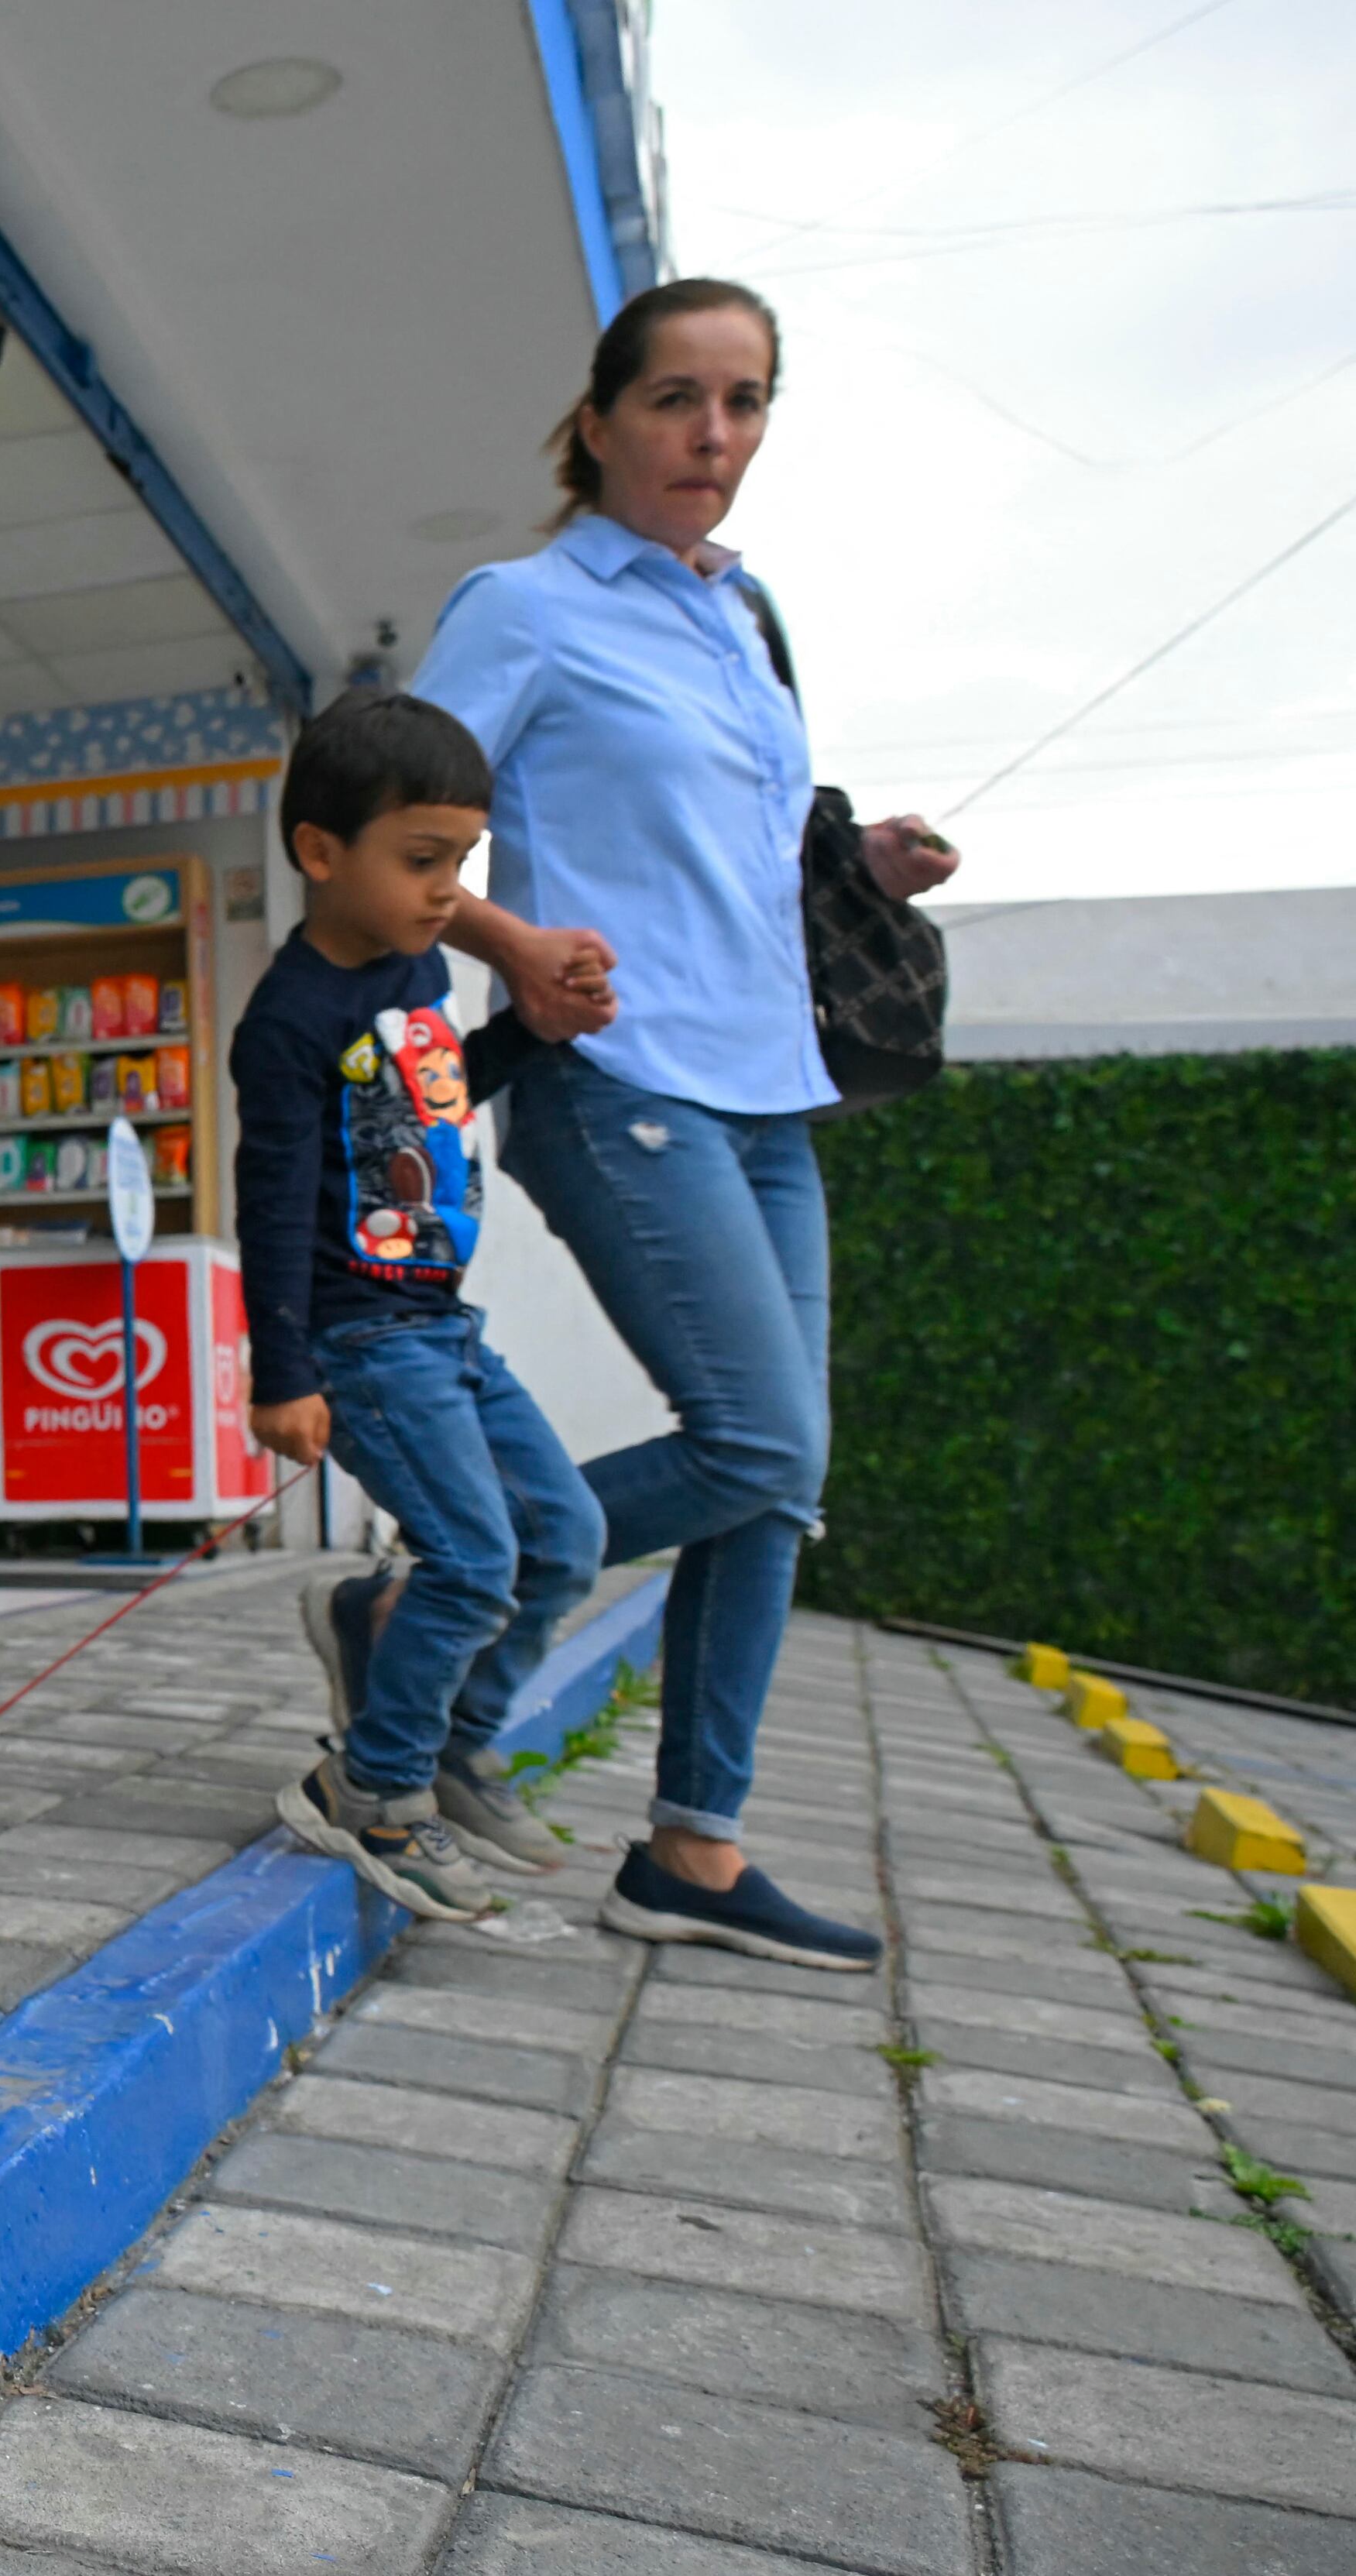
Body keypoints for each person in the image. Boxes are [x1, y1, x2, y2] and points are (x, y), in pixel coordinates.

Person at [406, 276, 960, 1972]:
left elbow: (735, 853)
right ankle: (421, 1605)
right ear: (596, 421)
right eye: (673, 399)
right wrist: (506, 942)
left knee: (772, 1484)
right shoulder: (525, 603)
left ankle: (692, 1849)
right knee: (760, 1441)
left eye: (742, 402)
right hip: (618, 1079)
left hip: (769, 1090)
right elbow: (379, 813)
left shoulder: (748, 613)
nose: (708, 435)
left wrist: (858, 869)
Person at [235, 689, 603, 1922]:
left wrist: (534, 1031)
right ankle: (373, 1790)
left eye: (464, 860)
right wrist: (279, 1373)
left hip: (445, 1319)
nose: (451, 889)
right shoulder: (289, 1020)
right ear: (320, 852)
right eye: (423, 860)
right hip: (362, 1336)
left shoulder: (420, 969)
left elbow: (438, 1092)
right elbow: (274, 1200)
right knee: (474, 1556)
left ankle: (444, 1735)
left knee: (566, 1537)